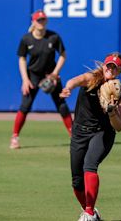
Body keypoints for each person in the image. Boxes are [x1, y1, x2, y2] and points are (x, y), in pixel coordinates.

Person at [59, 52, 121, 221]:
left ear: (119, 71)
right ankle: (90, 212)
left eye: (114, 67)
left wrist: (112, 113)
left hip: (102, 132)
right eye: (108, 65)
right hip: (80, 131)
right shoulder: (91, 78)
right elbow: (75, 80)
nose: (110, 69)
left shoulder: (120, 91)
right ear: (104, 65)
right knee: (76, 180)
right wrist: (68, 87)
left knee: (89, 165)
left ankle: (88, 213)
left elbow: (119, 126)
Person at [10, 10, 73, 149]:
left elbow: (63, 55)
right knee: (25, 106)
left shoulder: (53, 37)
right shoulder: (26, 39)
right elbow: (21, 59)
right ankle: (15, 137)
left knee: (61, 104)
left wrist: (55, 74)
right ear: (33, 21)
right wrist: (25, 80)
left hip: (50, 74)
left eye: (43, 19)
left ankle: (74, 136)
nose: (41, 22)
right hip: (33, 75)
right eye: (38, 20)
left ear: (46, 21)